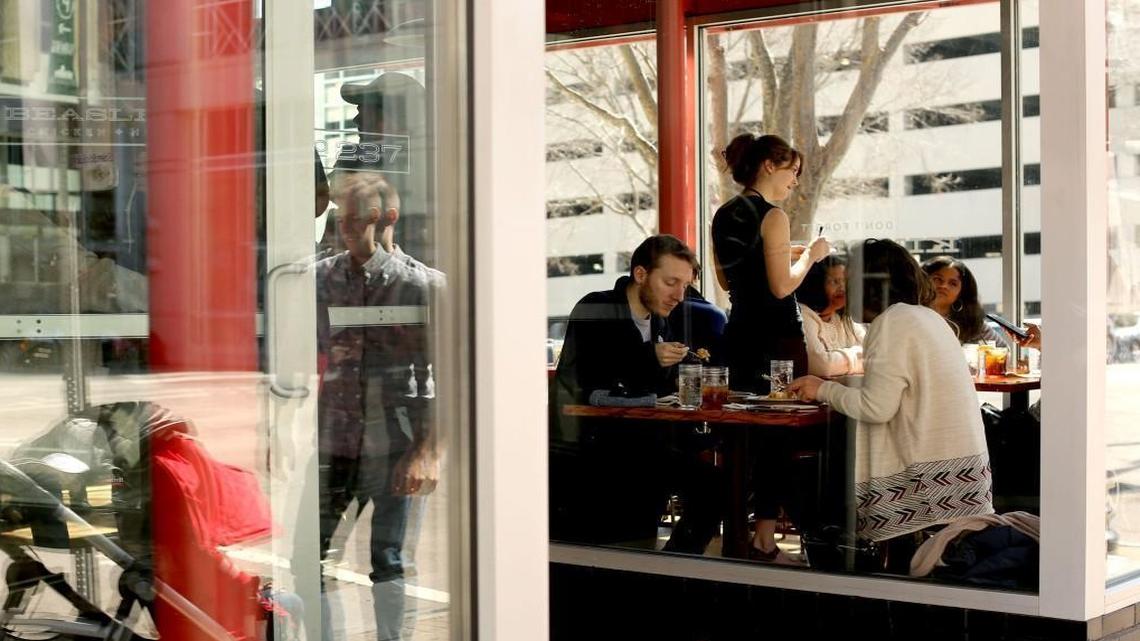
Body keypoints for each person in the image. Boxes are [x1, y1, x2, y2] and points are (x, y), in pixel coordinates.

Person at [788, 239, 994, 572]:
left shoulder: (893, 323)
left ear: (870, 284)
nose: (845, 288)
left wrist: (821, 388)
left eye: (851, 279)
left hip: (925, 491)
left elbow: (876, 408)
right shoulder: (926, 318)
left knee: (804, 478)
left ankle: (823, 562)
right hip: (961, 482)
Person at [302, 171, 440, 641]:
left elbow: (443, 380)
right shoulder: (320, 279)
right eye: (340, 221)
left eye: (354, 221)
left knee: (390, 560)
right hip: (334, 440)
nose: (342, 231)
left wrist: (426, 452)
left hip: (395, 442)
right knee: (312, 556)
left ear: (388, 219)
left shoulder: (423, 288)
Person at [550, 235, 722, 554]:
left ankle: (671, 571)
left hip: (644, 445)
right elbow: (590, 380)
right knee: (620, 536)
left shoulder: (661, 321)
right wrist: (650, 357)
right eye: (671, 282)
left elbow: (658, 387)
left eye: (685, 285)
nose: (678, 295)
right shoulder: (597, 307)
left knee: (715, 489)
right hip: (591, 450)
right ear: (641, 274)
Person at [710, 133, 830, 561]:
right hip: (778, 337)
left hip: (739, 332)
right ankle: (763, 538)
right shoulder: (773, 215)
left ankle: (734, 535)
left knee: (742, 436)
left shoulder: (723, 215)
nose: (794, 182)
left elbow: (726, 282)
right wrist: (810, 257)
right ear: (768, 166)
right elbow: (782, 286)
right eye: (791, 172)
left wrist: (782, 257)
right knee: (777, 436)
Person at [797, 255, 865, 377]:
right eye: (835, 281)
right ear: (816, 285)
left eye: (846, 281)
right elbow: (822, 367)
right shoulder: (804, 315)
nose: (842, 288)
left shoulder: (843, 318)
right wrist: (861, 357)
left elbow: (878, 354)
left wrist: (838, 361)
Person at [921, 255, 1010, 346]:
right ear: (923, 280)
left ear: (962, 292)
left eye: (953, 283)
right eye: (937, 279)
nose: (944, 286)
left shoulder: (972, 324)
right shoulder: (911, 316)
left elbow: (1002, 351)